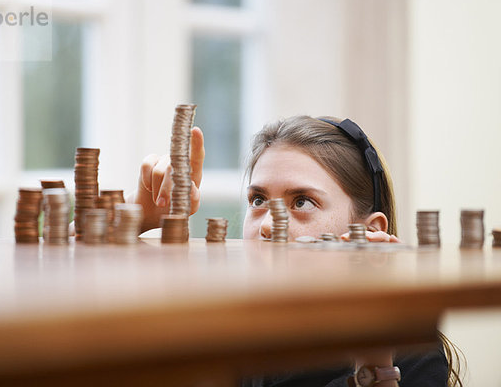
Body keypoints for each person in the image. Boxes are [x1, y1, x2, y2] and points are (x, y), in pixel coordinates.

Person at [126, 115, 462, 386]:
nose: (269, 225)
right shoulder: (224, 336)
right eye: (258, 200)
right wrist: (132, 222)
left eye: (301, 201)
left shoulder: (411, 351)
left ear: (369, 233)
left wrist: (376, 365)